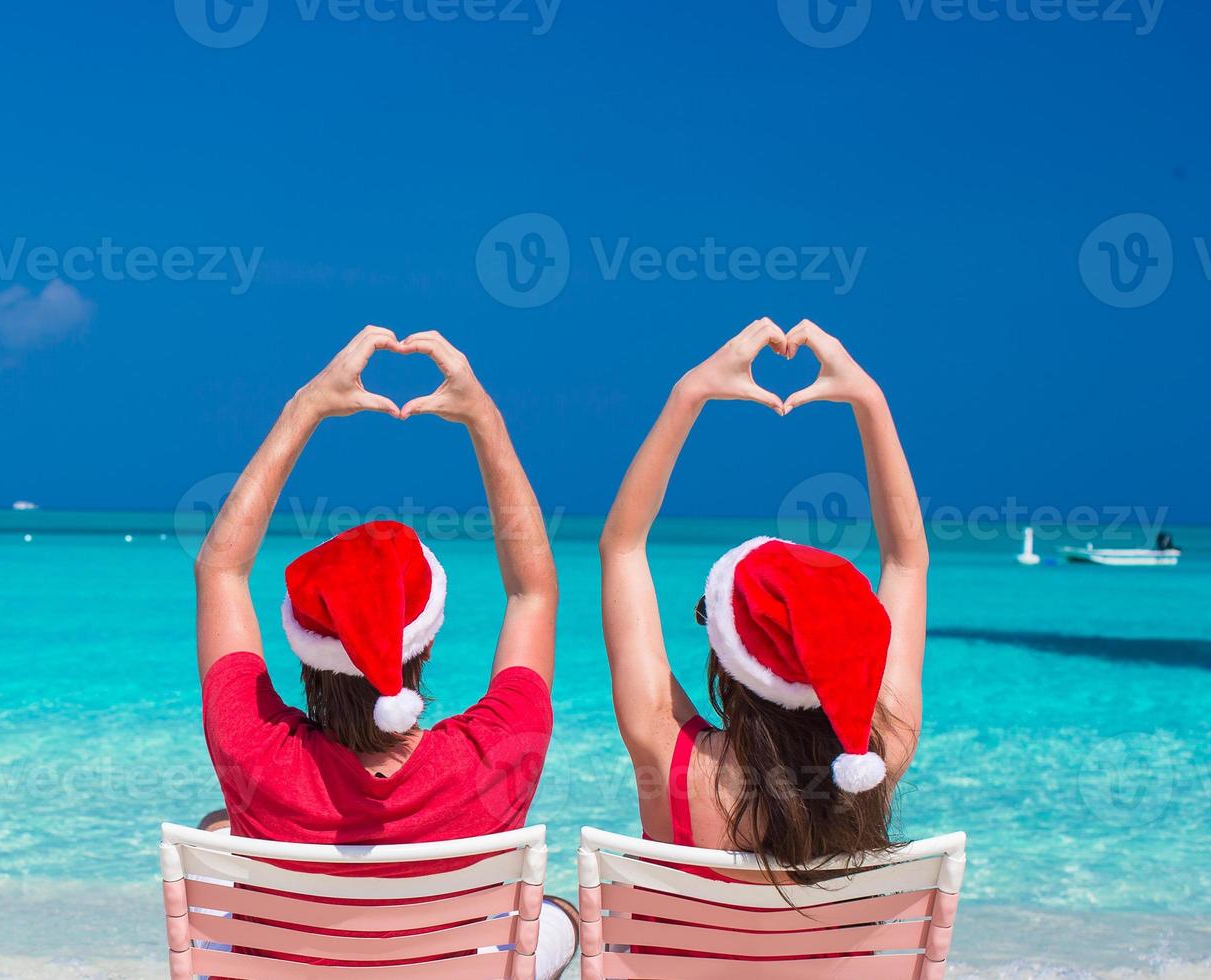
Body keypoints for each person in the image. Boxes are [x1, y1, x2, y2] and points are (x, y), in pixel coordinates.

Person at [193, 326, 574, 975]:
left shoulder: (250, 745)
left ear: (304, 647)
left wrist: (304, 407)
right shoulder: (490, 752)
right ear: (421, 649)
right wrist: (484, 418)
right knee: (560, 913)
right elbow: (531, 593)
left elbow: (220, 569)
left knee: (217, 828)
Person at [597, 317, 928, 908]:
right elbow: (906, 562)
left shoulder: (668, 754)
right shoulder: (882, 749)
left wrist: (689, 393)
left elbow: (623, 545)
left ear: (729, 659)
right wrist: (870, 400)